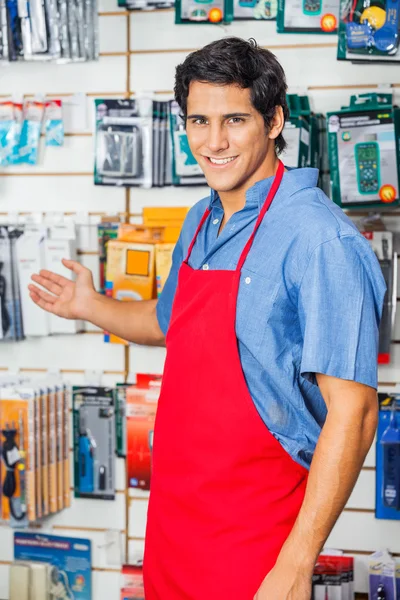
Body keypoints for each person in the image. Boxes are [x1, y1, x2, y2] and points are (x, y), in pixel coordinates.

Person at [29, 37, 385, 600]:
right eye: (199, 120)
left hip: (257, 537)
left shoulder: (320, 239)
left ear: (273, 121)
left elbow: (357, 411)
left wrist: (295, 565)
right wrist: (88, 306)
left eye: (235, 120)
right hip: (176, 523)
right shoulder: (202, 217)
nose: (213, 142)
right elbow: (171, 323)